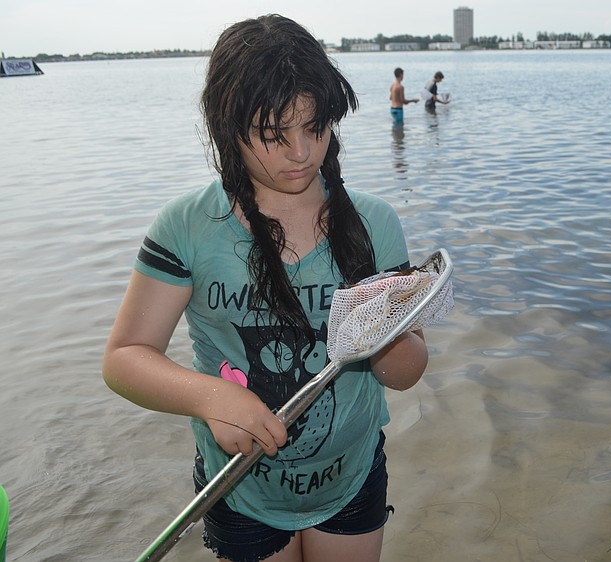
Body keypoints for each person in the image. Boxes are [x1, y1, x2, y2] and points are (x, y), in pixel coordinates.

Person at [102, 14, 428, 562]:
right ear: (228, 127)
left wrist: (390, 344)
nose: (301, 153)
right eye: (274, 135)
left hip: (351, 476)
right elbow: (124, 359)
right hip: (239, 486)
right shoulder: (188, 226)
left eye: (315, 127)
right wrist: (211, 397)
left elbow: (408, 372)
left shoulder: (375, 224)